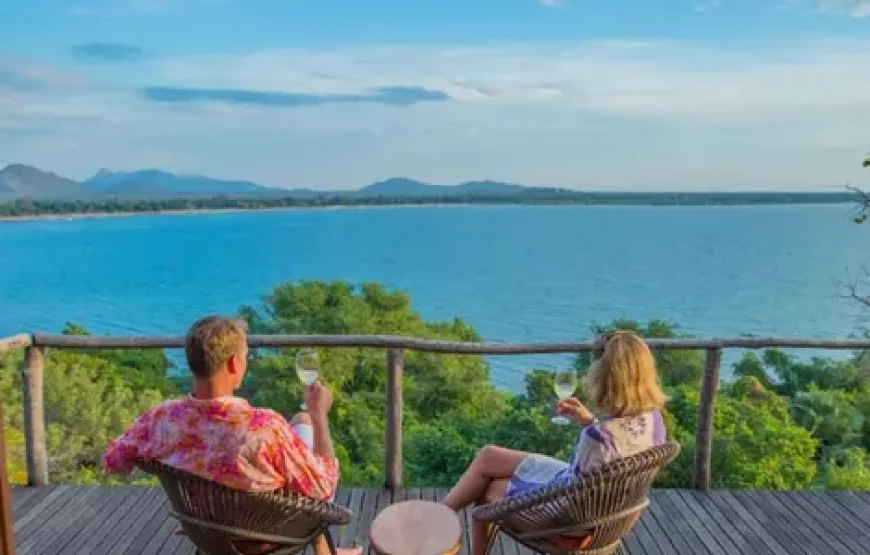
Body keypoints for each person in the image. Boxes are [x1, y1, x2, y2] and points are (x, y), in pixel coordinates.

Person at [102, 315, 360, 555]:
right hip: (266, 535)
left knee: (297, 429)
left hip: (205, 530)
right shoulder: (264, 429)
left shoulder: (163, 418)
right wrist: (318, 414)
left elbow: (113, 461)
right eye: (246, 356)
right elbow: (324, 489)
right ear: (233, 363)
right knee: (306, 425)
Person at [442, 330, 667, 555]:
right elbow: (616, 452)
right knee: (488, 455)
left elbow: (571, 505)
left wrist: (520, 494)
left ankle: (434, 526)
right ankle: (438, 517)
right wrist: (590, 421)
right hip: (608, 512)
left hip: (573, 526)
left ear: (605, 379)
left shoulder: (597, 438)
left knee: (488, 490)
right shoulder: (653, 421)